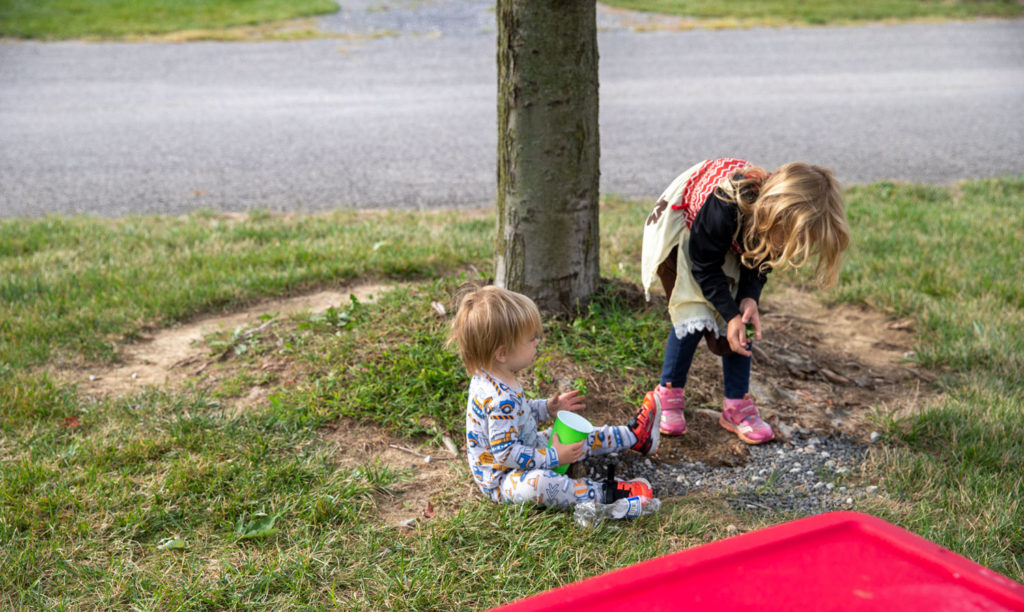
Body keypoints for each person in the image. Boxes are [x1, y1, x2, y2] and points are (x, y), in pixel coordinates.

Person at [641, 158, 850, 444]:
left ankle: (736, 404)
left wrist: (749, 299)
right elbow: (704, 266)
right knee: (693, 312)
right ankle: (669, 394)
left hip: (734, 238)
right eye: (786, 239)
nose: (785, 248)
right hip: (692, 237)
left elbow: (762, 258)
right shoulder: (725, 204)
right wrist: (729, 315)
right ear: (774, 212)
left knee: (746, 322)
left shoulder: (776, 223)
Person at [448, 285, 662, 510]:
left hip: (528, 448)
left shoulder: (491, 376)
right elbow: (505, 453)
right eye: (530, 339)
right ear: (501, 353)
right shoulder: (499, 398)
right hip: (504, 480)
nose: (537, 342)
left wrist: (546, 409)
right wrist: (553, 457)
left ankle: (635, 436)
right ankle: (605, 494)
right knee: (542, 485)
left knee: (577, 437)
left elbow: (517, 416)